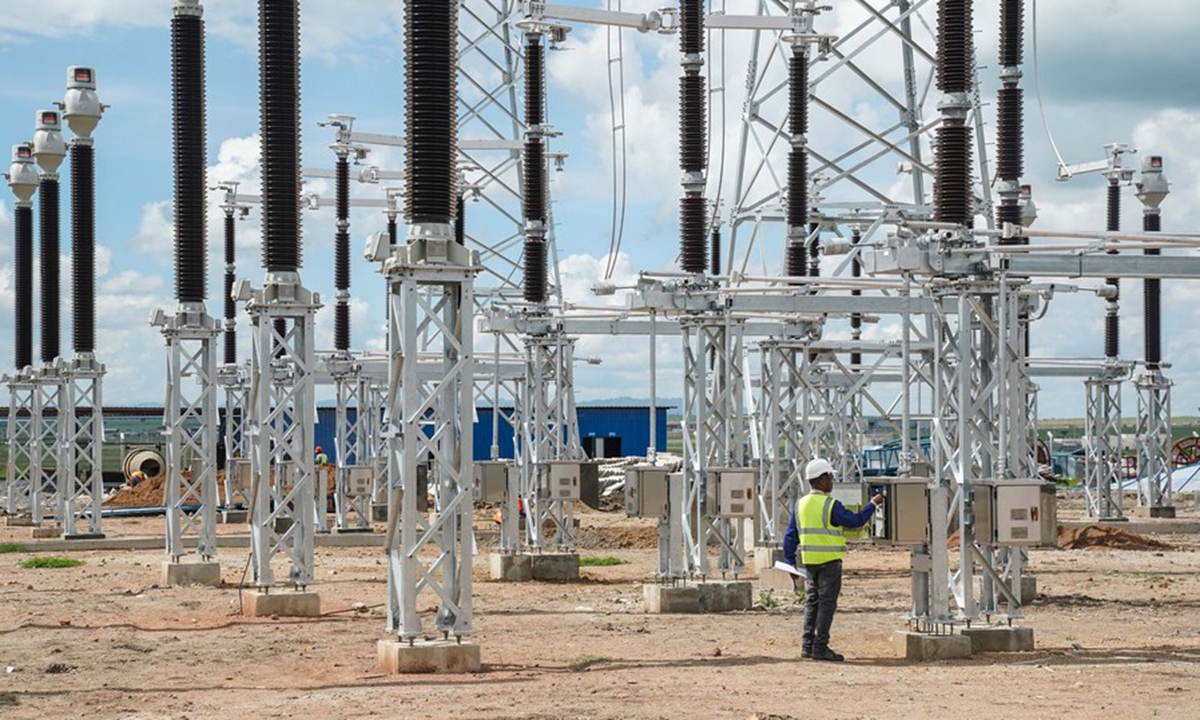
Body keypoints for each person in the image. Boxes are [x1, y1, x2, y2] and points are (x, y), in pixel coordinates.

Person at [783, 458, 884, 662]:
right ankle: (820, 647)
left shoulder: (800, 505)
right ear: (821, 480)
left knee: (813, 603)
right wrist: (873, 504)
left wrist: (790, 562)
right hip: (829, 562)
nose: (832, 481)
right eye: (830, 477)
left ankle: (807, 646)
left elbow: (790, 535)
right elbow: (854, 522)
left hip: (810, 562)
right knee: (827, 605)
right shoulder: (830, 505)